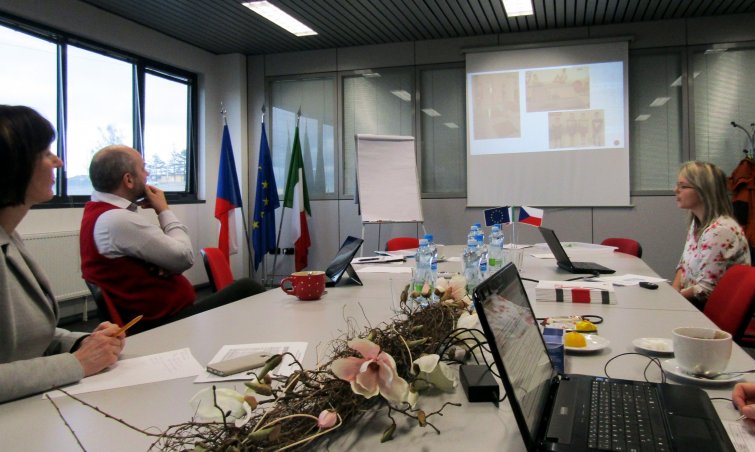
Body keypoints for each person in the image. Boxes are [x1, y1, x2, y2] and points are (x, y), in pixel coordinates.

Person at [0, 105, 125, 403]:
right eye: (46, 153)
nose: (58, 161)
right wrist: (77, 363)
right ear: (13, 165)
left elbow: (22, 341)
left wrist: (83, 343)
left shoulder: (10, 236)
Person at [80, 145, 264, 333]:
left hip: (159, 316)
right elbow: (184, 256)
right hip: (162, 325)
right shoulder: (116, 219)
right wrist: (163, 210)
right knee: (247, 288)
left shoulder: (97, 212)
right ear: (128, 179)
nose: (147, 174)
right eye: (143, 168)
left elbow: (171, 259)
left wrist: (165, 262)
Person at [672, 161, 750, 309]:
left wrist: (672, 298)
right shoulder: (697, 223)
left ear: (704, 190)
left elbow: (705, 290)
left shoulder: (720, 231)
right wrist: (674, 291)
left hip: (710, 311)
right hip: (691, 304)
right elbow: (683, 266)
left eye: (683, 186)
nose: (676, 190)